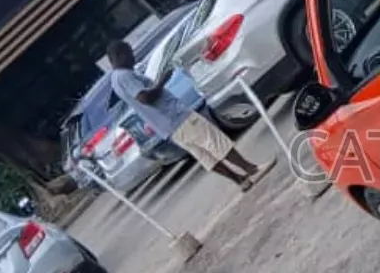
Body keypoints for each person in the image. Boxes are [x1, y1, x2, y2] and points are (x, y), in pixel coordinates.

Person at [106, 40, 269, 191]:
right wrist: (163, 81)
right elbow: (145, 98)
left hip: (167, 126)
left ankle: (241, 181)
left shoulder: (115, 80)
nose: (133, 57)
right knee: (216, 142)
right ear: (120, 56)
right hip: (176, 116)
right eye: (129, 53)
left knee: (205, 156)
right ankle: (251, 169)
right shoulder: (124, 75)